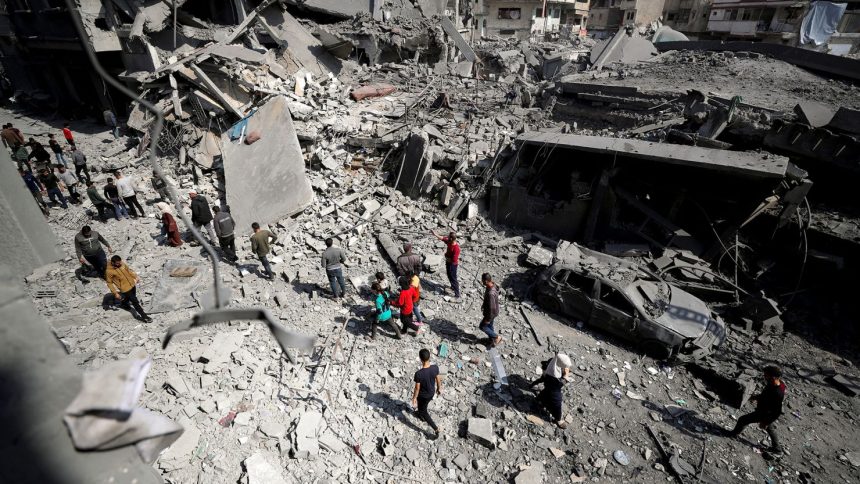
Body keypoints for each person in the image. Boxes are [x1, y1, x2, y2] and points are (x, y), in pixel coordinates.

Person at [727, 365, 786, 456]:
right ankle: (777, 449)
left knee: (743, 420)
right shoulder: (778, 383)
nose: (764, 377)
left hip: (764, 413)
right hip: (765, 411)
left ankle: (733, 434)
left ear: (773, 377)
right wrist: (756, 397)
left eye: (766, 376)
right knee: (770, 429)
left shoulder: (777, 392)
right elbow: (766, 394)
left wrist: (766, 421)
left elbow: (777, 411)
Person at [530, 352, 572, 429]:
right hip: (554, 388)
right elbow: (559, 384)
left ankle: (539, 400)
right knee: (557, 402)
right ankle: (558, 419)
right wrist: (566, 376)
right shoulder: (554, 374)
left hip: (548, 384)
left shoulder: (553, 362)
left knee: (546, 393)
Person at [105, 255, 152, 323]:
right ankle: (144, 316)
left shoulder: (121, 263)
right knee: (135, 302)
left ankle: (124, 303)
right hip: (125, 289)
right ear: (113, 262)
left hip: (132, 284)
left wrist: (135, 277)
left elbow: (128, 271)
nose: (120, 264)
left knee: (131, 297)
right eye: (118, 263)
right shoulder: (109, 271)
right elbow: (109, 283)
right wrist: (115, 293)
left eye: (120, 262)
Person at [412, 348, 441, 438]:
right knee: (423, 406)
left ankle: (436, 428)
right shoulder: (435, 368)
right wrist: (439, 388)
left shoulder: (419, 374)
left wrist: (414, 398)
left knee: (424, 411)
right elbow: (438, 379)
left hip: (423, 396)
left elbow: (417, 388)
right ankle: (420, 413)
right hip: (431, 392)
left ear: (420, 359)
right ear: (429, 357)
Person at [432, 230, 461, 298]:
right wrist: (435, 234)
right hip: (448, 262)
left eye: (449, 237)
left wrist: (447, 258)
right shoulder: (449, 242)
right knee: (449, 275)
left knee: (453, 278)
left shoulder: (456, 248)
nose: (447, 238)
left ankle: (457, 294)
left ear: (452, 239)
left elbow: (454, 260)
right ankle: (452, 287)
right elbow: (442, 238)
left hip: (453, 265)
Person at [480, 273, 502, 347]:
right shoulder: (492, 284)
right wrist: (484, 304)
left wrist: (488, 319)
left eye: (482, 280)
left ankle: (496, 337)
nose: (481, 281)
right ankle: (491, 341)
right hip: (494, 311)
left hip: (491, 313)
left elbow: (491, 308)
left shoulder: (490, 294)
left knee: (483, 326)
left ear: (486, 281)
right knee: (490, 326)